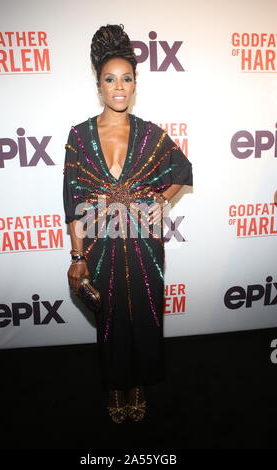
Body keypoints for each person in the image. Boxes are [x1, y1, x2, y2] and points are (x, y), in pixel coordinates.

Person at [63, 24, 193, 423]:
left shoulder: (152, 135)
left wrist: (163, 199)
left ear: (135, 85)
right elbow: (73, 202)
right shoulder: (80, 137)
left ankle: (137, 385)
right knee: (110, 321)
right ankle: (114, 387)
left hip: (144, 245)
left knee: (143, 319)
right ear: (98, 84)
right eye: (110, 79)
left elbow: (183, 171)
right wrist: (77, 255)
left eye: (127, 79)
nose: (119, 87)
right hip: (101, 245)